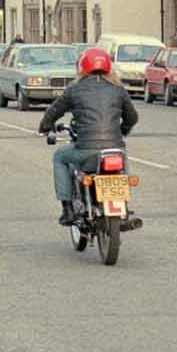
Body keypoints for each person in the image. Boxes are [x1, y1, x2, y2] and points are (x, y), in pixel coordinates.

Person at [36, 47, 139, 226]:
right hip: (115, 148)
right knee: (121, 166)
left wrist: (45, 127)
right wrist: (123, 129)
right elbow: (132, 117)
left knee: (60, 157)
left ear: (82, 67)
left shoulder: (74, 89)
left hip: (87, 150)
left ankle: (67, 209)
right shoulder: (118, 89)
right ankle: (123, 209)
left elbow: (54, 111)